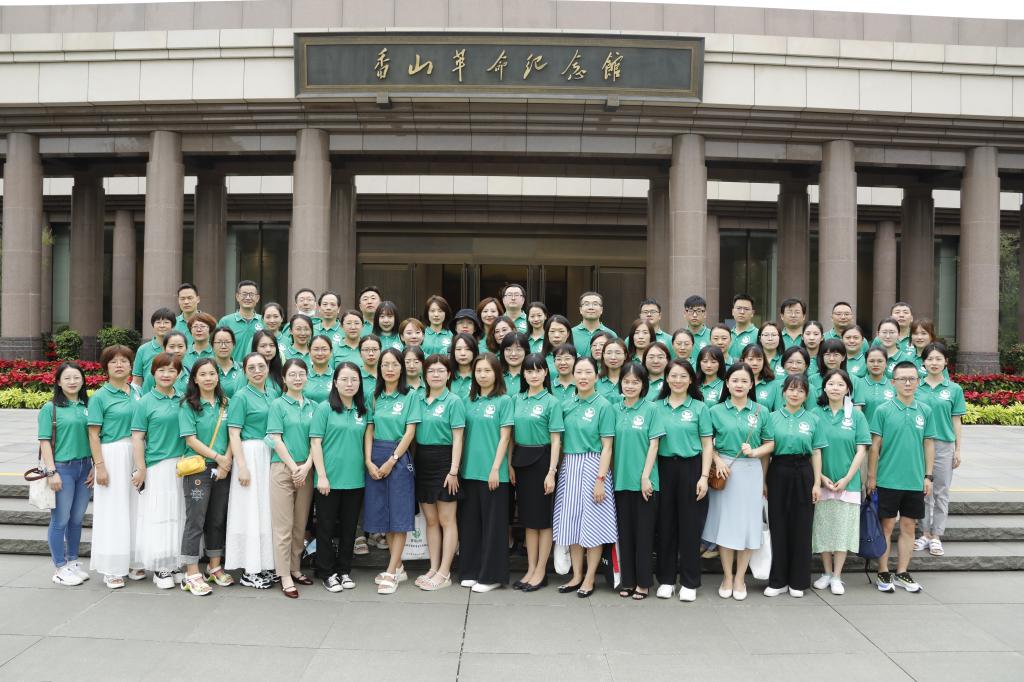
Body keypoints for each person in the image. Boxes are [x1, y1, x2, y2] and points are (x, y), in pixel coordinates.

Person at [702, 363, 774, 601]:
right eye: (735, 380)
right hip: (724, 473)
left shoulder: (761, 411)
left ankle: (740, 577)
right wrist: (717, 460)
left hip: (751, 471)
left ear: (752, 384)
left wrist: (755, 452)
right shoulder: (715, 411)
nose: (739, 385)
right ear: (727, 383)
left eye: (744, 381)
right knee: (726, 526)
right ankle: (727, 577)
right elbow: (707, 442)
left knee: (748, 527)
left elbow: (770, 443)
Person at [868, 360, 938, 594]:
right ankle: (883, 571)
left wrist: (928, 476)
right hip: (888, 479)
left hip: (914, 480)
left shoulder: (925, 410)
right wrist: (871, 477)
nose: (907, 383)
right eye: (902, 379)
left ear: (918, 381)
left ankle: (902, 572)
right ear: (893, 382)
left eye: (912, 379)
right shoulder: (883, 410)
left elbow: (929, 444)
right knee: (886, 526)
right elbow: (874, 447)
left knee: (909, 527)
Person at [553, 356, 617, 598]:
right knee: (572, 523)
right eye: (578, 372)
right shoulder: (566, 404)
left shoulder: (604, 405)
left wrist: (601, 479)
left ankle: (590, 577)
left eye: (588, 372)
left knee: (593, 524)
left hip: (593, 465)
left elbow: (607, 446)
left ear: (596, 375)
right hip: (569, 466)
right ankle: (576, 575)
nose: (582, 377)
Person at [653, 358, 713, 601]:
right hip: (663, 468)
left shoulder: (700, 408)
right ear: (666, 378)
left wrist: (704, 476)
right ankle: (666, 579)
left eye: (683, 376)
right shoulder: (655, 407)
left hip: (691, 468)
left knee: (690, 526)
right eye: (673, 376)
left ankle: (689, 582)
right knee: (665, 525)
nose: (678, 380)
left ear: (691, 380)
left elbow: (707, 445)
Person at [762, 374, 824, 598]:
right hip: (778, 470)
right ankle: (778, 581)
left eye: (800, 390)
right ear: (783, 392)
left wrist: (817, 483)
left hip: (804, 471)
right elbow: (766, 452)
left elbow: (816, 452)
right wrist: (763, 480)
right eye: (791, 389)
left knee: (802, 526)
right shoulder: (771, 418)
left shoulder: (814, 419)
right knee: (778, 525)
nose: (795, 394)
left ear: (806, 395)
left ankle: (798, 581)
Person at [364, 348, 421, 595]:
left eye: (394, 364)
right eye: (385, 364)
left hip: (397, 457)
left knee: (398, 516)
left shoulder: (410, 396)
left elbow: (410, 432)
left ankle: (390, 571)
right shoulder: (374, 396)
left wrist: (392, 459)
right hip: (375, 456)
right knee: (383, 515)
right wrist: (368, 460)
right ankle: (398, 567)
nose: (390, 369)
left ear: (402, 368)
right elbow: (369, 429)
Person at [88, 346, 144, 588]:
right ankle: (112, 567)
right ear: (106, 367)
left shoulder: (138, 391)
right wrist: (99, 466)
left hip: (137, 452)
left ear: (131, 366)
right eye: (114, 362)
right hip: (112, 453)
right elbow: (93, 434)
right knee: (113, 510)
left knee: (135, 507)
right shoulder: (100, 397)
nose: (119, 365)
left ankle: (132, 560)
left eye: (124, 361)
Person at [310, 362, 369, 593]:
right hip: (329, 480)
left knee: (349, 528)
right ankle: (326, 572)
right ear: (335, 382)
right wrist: (322, 476)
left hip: (355, 479)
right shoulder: (325, 408)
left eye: (354, 379)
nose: (349, 384)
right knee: (325, 528)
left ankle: (344, 570)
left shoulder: (362, 410)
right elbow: (316, 443)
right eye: (344, 379)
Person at [458, 354, 514, 592]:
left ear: (497, 373)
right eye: (478, 371)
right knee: (470, 525)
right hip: (469, 471)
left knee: (494, 527)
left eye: (487, 371)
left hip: (493, 474)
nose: (482, 375)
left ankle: (492, 576)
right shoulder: (467, 401)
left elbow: (505, 437)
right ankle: (470, 570)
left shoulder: (504, 401)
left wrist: (495, 468)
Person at [177, 358, 233, 596]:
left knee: (217, 519)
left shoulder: (226, 403)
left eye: (212, 373)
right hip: (198, 469)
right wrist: (218, 457)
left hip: (223, 468)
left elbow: (233, 434)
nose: (208, 378)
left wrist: (226, 461)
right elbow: (190, 439)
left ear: (218, 377)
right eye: (203, 374)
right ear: (195, 379)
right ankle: (191, 573)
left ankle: (214, 566)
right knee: (196, 520)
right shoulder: (188, 405)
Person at [130, 353, 186, 589]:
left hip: (182, 465)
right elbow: (137, 438)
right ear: (153, 373)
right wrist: (141, 468)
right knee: (160, 515)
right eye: (161, 370)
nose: (166, 374)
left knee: (179, 514)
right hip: (158, 465)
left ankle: (175, 562)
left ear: (179, 374)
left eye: (172, 370)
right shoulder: (145, 402)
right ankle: (160, 566)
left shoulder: (183, 399)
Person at [812, 368, 870, 596]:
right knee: (823, 529)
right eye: (831, 384)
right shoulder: (815, 413)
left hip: (849, 483)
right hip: (822, 482)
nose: (835, 388)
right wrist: (821, 477)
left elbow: (862, 449)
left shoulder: (856, 416)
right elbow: (812, 449)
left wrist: (847, 478)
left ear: (848, 389)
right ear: (824, 387)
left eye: (840, 384)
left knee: (843, 531)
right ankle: (826, 572)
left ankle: (837, 575)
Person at [511, 353, 564, 592]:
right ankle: (530, 568)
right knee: (528, 520)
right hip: (521, 461)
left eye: (538, 370)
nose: (534, 375)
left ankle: (541, 570)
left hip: (542, 462)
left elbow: (556, 440)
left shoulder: (552, 402)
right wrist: (510, 464)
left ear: (545, 373)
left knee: (543, 520)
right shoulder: (517, 399)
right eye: (529, 371)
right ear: (523, 374)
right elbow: (511, 435)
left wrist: (551, 472)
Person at [612, 363, 664, 600]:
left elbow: (654, 444)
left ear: (644, 385)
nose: (630, 386)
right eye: (626, 381)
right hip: (620, 480)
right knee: (625, 533)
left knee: (644, 535)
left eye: (635, 382)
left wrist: (645, 476)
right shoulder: (615, 409)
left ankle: (643, 583)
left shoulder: (651, 409)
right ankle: (628, 580)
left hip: (645, 482)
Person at [266, 359, 318, 598]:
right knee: (283, 526)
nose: (298, 379)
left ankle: (295, 568)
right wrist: (294, 467)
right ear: (284, 379)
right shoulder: (278, 404)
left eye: (301, 374)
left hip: (306, 470)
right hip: (283, 469)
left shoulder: (313, 406)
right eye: (293, 375)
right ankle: (284, 574)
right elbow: (275, 439)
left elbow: (316, 440)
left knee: (300, 524)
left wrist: (306, 466)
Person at [413, 355, 465, 590]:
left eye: (440, 371)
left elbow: (458, 438)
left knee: (447, 520)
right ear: (425, 375)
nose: (435, 375)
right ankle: (433, 567)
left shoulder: (454, 401)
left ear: (448, 375)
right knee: (431, 520)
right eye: (431, 371)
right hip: (423, 461)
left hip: (445, 463)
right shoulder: (418, 399)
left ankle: (445, 572)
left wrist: (453, 471)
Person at [225, 353, 276, 589]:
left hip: (268, 454)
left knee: (265, 510)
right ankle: (249, 569)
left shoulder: (272, 393)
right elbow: (233, 433)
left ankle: (264, 564)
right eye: (252, 367)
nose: (257, 371)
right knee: (249, 510)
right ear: (245, 371)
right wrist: (242, 466)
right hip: (249, 454)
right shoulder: (241, 397)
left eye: (261, 366)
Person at [38, 362, 92, 586]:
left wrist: (95, 466)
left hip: (85, 468)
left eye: (76, 377)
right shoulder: (49, 408)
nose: (72, 382)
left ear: (83, 380)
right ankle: (60, 567)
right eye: (67, 378)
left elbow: (95, 437)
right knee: (60, 519)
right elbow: (44, 441)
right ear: (59, 382)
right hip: (62, 469)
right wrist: (52, 472)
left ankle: (72, 562)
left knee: (77, 519)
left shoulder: (88, 405)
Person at [914, 343, 965, 557]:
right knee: (923, 491)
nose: (934, 363)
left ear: (946, 362)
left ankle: (936, 536)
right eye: (930, 359)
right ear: (923, 362)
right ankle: (924, 533)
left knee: (941, 491)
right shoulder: (916, 387)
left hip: (944, 446)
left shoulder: (954, 389)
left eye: (938, 359)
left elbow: (956, 421)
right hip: (920, 445)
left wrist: (958, 449)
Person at [218, 280, 264, 363]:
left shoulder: (264, 321)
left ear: (257, 298)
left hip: (257, 368)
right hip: (233, 368)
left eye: (251, 294)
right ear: (237, 297)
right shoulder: (225, 321)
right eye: (244, 294)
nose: (248, 298)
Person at [133, 307, 176, 387]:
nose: (162, 326)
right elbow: (137, 380)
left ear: (172, 326)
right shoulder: (143, 349)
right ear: (153, 325)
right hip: (148, 393)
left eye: (166, 322)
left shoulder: (178, 349)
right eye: (158, 322)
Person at [571, 292, 616, 358]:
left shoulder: (611, 334)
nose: (591, 307)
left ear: (601, 310)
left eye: (595, 304)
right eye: (586, 304)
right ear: (580, 310)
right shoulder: (570, 333)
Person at [858, 346, 895, 423]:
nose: (875, 364)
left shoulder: (894, 385)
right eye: (871, 361)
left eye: (880, 361)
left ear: (886, 363)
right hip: (865, 429)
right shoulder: (857, 384)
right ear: (866, 363)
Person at [740, 344, 778, 411]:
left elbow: (777, 412)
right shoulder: (735, 382)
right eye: (750, 359)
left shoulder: (774, 385)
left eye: (759, 359)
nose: (755, 363)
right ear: (742, 360)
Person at [212, 327, 244, 398]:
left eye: (227, 342)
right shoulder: (205, 369)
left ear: (234, 345)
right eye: (219, 342)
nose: (223, 346)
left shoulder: (243, 369)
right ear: (212, 346)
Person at [252, 329, 285, 398]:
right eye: (263, 346)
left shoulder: (280, 371)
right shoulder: (247, 372)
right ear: (255, 348)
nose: (268, 350)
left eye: (272, 345)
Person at [304, 335, 335, 404]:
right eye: (316, 349)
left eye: (324, 349)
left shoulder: (338, 376)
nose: (320, 353)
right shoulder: (302, 376)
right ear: (309, 352)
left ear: (331, 351)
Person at [160, 330, 190, 396]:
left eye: (180, 346)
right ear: (164, 349)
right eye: (172, 346)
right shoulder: (156, 374)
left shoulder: (190, 373)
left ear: (186, 349)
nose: (176, 351)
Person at [449, 332, 479, 400]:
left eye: (468, 349)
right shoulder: (446, 375)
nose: (463, 353)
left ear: (474, 351)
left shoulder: (481, 375)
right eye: (458, 349)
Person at [728, 294, 758, 359]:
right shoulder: (727, 334)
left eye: (746, 309)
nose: (742, 312)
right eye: (738, 308)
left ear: (752, 313)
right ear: (733, 312)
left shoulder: (758, 334)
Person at [683, 295, 711, 363]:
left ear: (705, 314)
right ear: (684, 313)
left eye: (699, 311)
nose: (694, 315)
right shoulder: (680, 336)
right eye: (690, 311)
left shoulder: (712, 336)